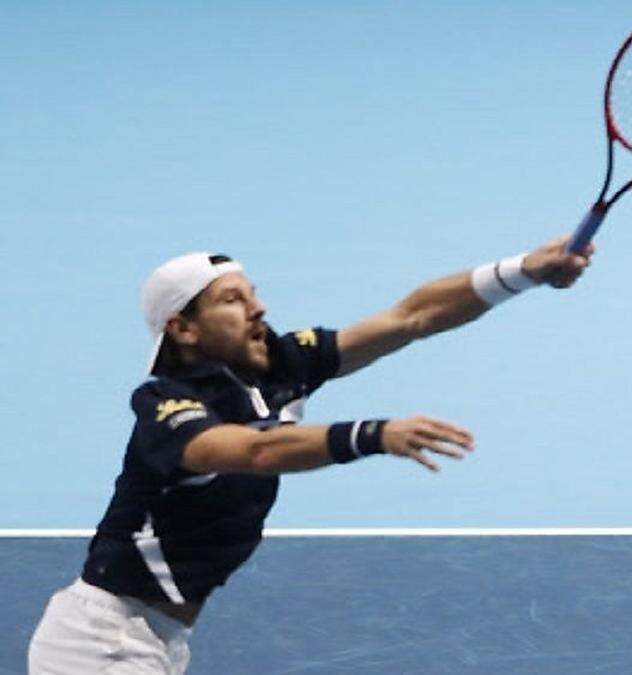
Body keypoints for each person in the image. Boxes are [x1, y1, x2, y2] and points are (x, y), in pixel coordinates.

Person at [27, 236, 594, 674]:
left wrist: (524, 272)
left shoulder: (279, 366)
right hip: (102, 645)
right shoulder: (166, 404)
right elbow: (251, 450)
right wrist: (370, 435)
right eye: (233, 299)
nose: (258, 307)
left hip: (160, 640)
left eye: (253, 293)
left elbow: (411, 317)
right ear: (184, 329)